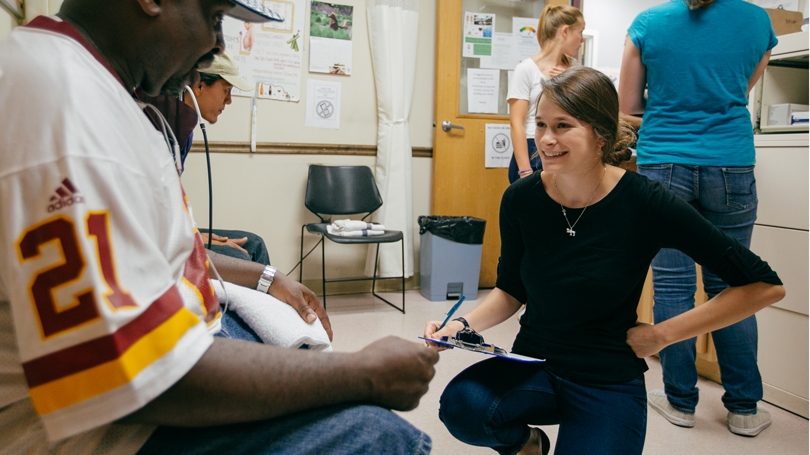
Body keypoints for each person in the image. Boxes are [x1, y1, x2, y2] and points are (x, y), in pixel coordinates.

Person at [0, 1, 438, 454]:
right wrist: (364, 372)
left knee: (294, 351)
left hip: (178, 340)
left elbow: (155, 253)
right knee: (378, 436)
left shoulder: (105, 94)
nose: (217, 45)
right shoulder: (63, 102)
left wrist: (268, 278)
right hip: (112, 433)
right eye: (214, 19)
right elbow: (135, 376)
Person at [424, 67, 784, 455]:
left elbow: (764, 286)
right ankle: (527, 445)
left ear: (600, 134)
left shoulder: (645, 202)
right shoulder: (521, 199)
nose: (545, 139)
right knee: (463, 406)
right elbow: (511, 290)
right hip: (534, 363)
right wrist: (458, 326)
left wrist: (662, 336)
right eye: (541, 124)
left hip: (607, 376)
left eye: (563, 126)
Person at [618, 0, 778, 437]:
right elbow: (739, 91)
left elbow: (627, 106)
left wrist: (670, 99)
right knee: (735, 284)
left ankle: (679, 401)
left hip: (664, 162)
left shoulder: (649, 23)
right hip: (731, 162)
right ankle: (745, 408)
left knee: (672, 284)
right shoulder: (758, 21)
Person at [139, 49, 273, 266]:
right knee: (242, 257)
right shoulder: (156, 126)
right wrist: (194, 237)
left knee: (254, 244)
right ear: (199, 86)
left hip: (173, 227)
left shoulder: (184, 130)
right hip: (153, 236)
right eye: (226, 91)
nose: (229, 101)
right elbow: (146, 212)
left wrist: (193, 232)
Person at [506, 5, 583, 184]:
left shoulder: (576, 71)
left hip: (566, 148)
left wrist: (568, 82)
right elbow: (516, 123)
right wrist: (524, 171)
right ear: (565, 31)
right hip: (533, 149)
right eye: (580, 32)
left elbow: (585, 113)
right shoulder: (525, 69)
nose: (582, 40)